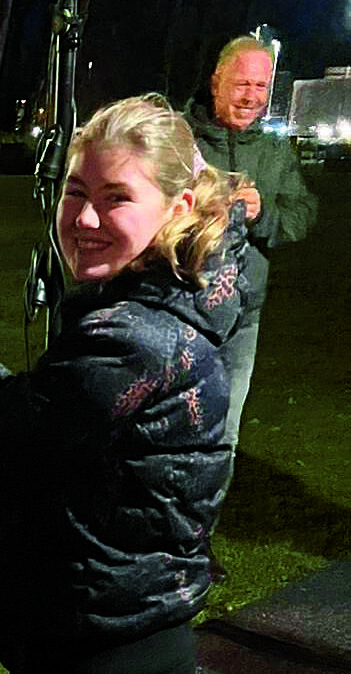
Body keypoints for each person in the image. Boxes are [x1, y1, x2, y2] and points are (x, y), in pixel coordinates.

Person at [0, 94, 253, 673]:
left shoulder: (134, 338)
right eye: (77, 192)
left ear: (178, 207)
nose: (85, 219)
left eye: (117, 199)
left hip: (104, 644)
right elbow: (47, 416)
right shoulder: (149, 306)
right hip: (115, 628)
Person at [185, 34, 317, 444]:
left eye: (261, 87)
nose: (251, 97)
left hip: (243, 319)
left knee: (225, 436)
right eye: (242, 84)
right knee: (170, 434)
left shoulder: (274, 151)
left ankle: (209, 507)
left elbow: (303, 214)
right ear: (216, 82)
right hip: (180, 312)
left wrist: (263, 215)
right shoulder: (177, 138)